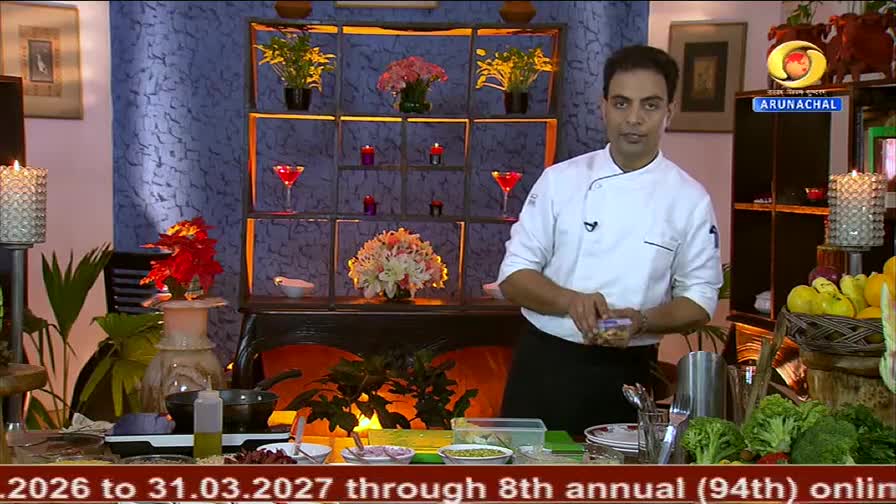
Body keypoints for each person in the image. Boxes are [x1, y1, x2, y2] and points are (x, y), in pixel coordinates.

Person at [496, 45, 723, 436]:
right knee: (524, 492)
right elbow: (514, 276)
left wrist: (642, 320)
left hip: (628, 375)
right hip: (543, 367)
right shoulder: (560, 181)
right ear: (603, 107)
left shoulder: (689, 199)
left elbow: (700, 299)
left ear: (670, 111)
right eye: (621, 103)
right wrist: (572, 302)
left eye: (650, 106)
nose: (633, 119)